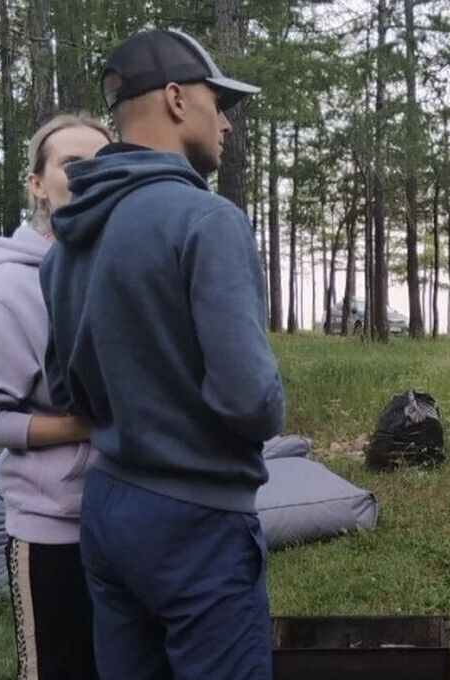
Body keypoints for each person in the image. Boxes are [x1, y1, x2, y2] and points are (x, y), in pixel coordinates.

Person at [40, 29, 284, 679]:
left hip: (108, 508)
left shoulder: (68, 244)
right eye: (218, 103)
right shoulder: (207, 220)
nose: (225, 124)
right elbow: (251, 399)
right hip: (198, 521)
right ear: (177, 99)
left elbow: (66, 394)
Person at [0, 113, 111, 679]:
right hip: (52, 529)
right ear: (37, 183)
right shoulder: (8, 285)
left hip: (129, 518)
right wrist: (86, 427)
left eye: (103, 164)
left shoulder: (121, 266)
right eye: (72, 164)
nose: (90, 176)